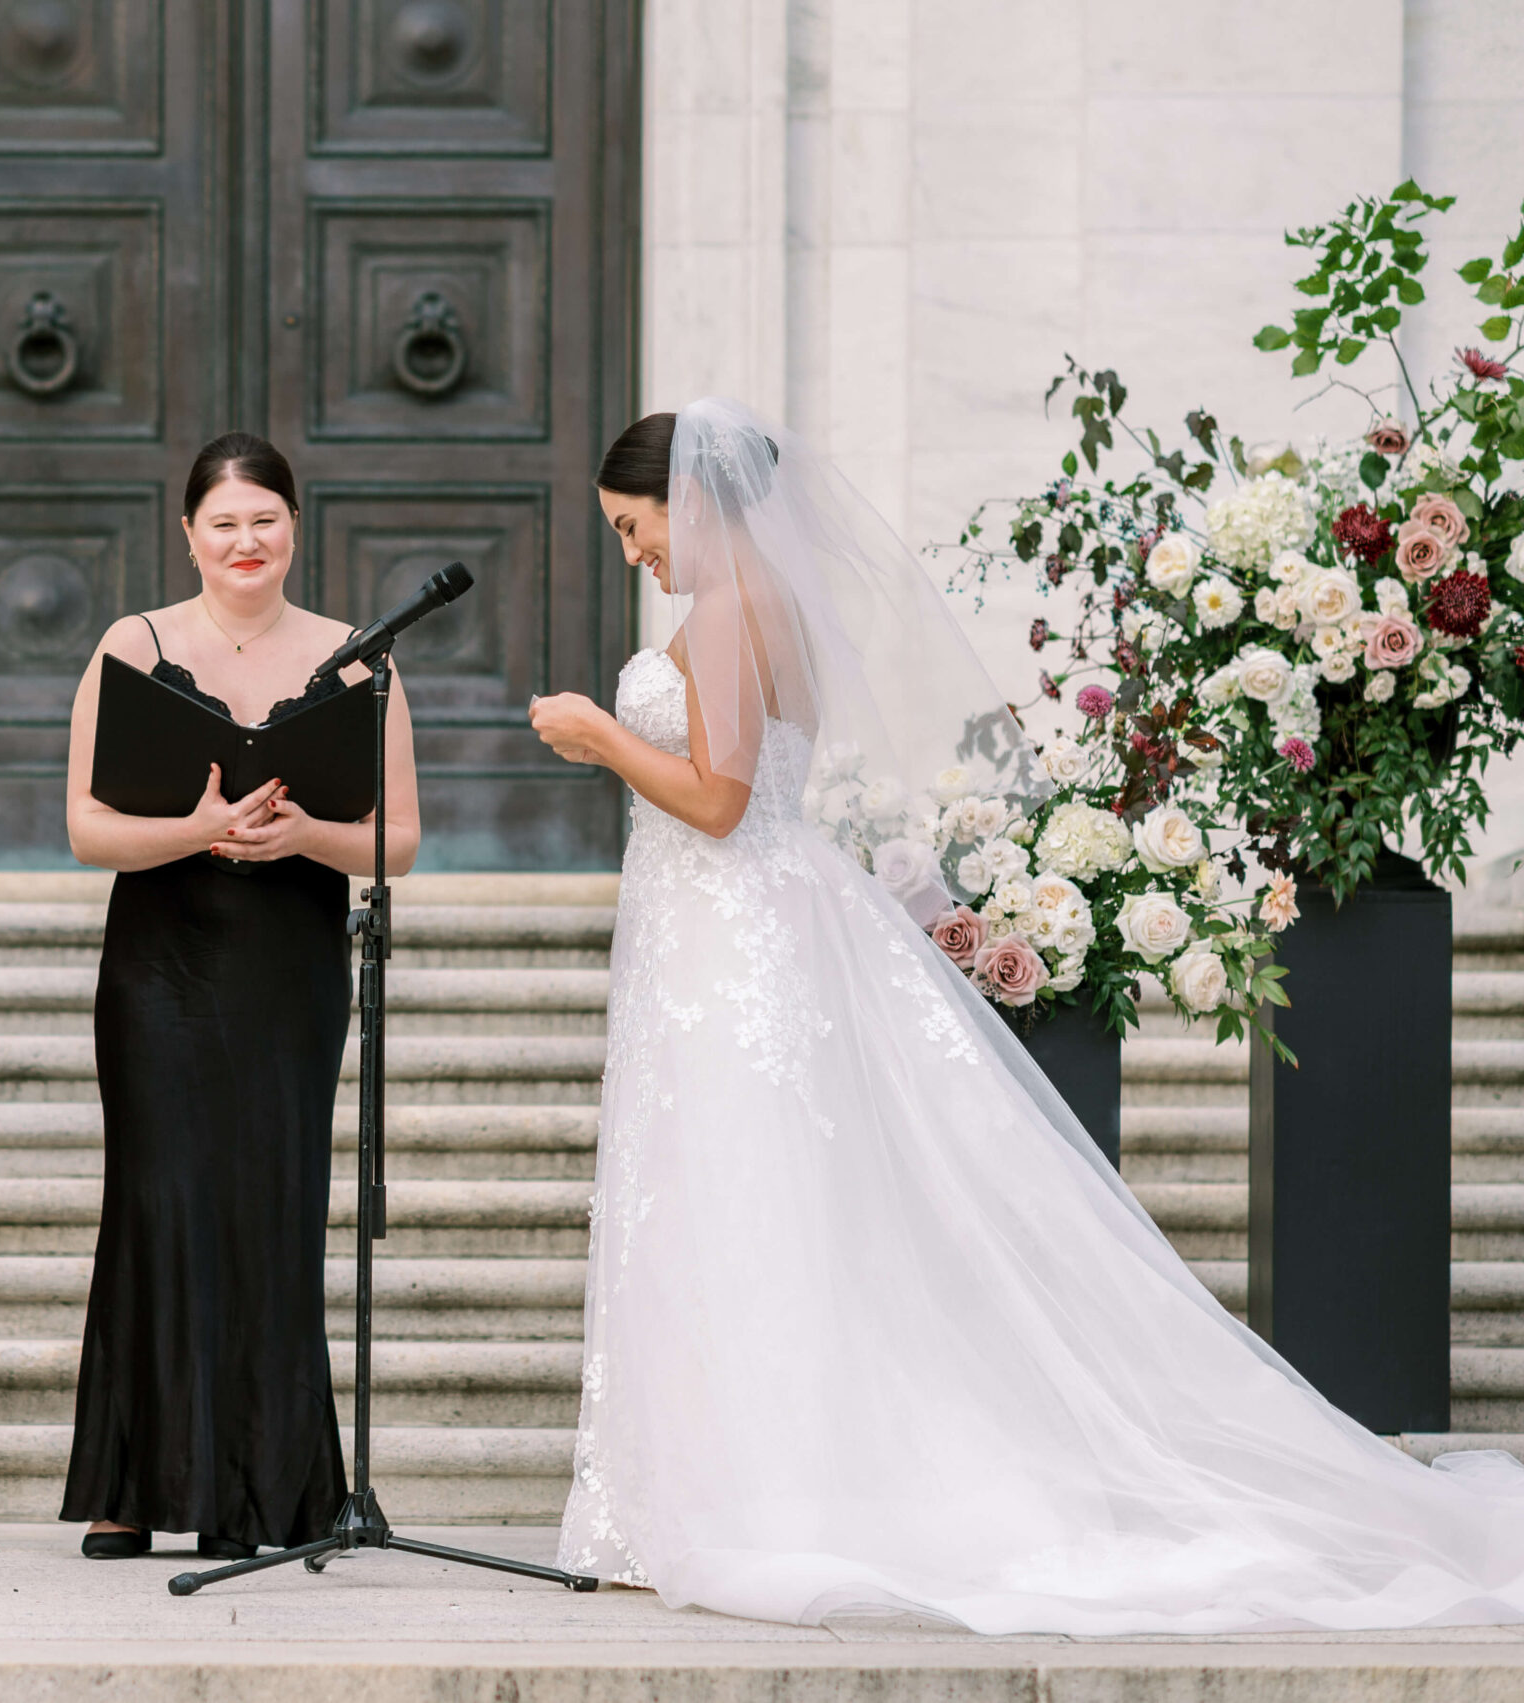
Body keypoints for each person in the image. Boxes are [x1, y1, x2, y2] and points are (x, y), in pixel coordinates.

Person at [527, 398, 1524, 1634]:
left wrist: (599, 735)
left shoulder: (733, 610)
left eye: (636, 527)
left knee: (745, 1192)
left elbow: (723, 801)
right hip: (719, 933)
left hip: (735, 934)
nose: (635, 552)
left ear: (693, 501)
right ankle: (715, 1486)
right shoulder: (743, 607)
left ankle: (751, 1495)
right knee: (737, 1197)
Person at [57, 432, 420, 1560]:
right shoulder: (139, 641)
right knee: (158, 1202)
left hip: (290, 960)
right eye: (223, 522)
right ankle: (131, 1483)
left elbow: (397, 839)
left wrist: (300, 833)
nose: (244, 540)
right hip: (160, 962)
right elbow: (85, 826)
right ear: (189, 534)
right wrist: (203, 830)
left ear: (293, 526)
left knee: (272, 1204)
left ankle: (260, 1490)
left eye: (263, 518)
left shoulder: (357, 657)